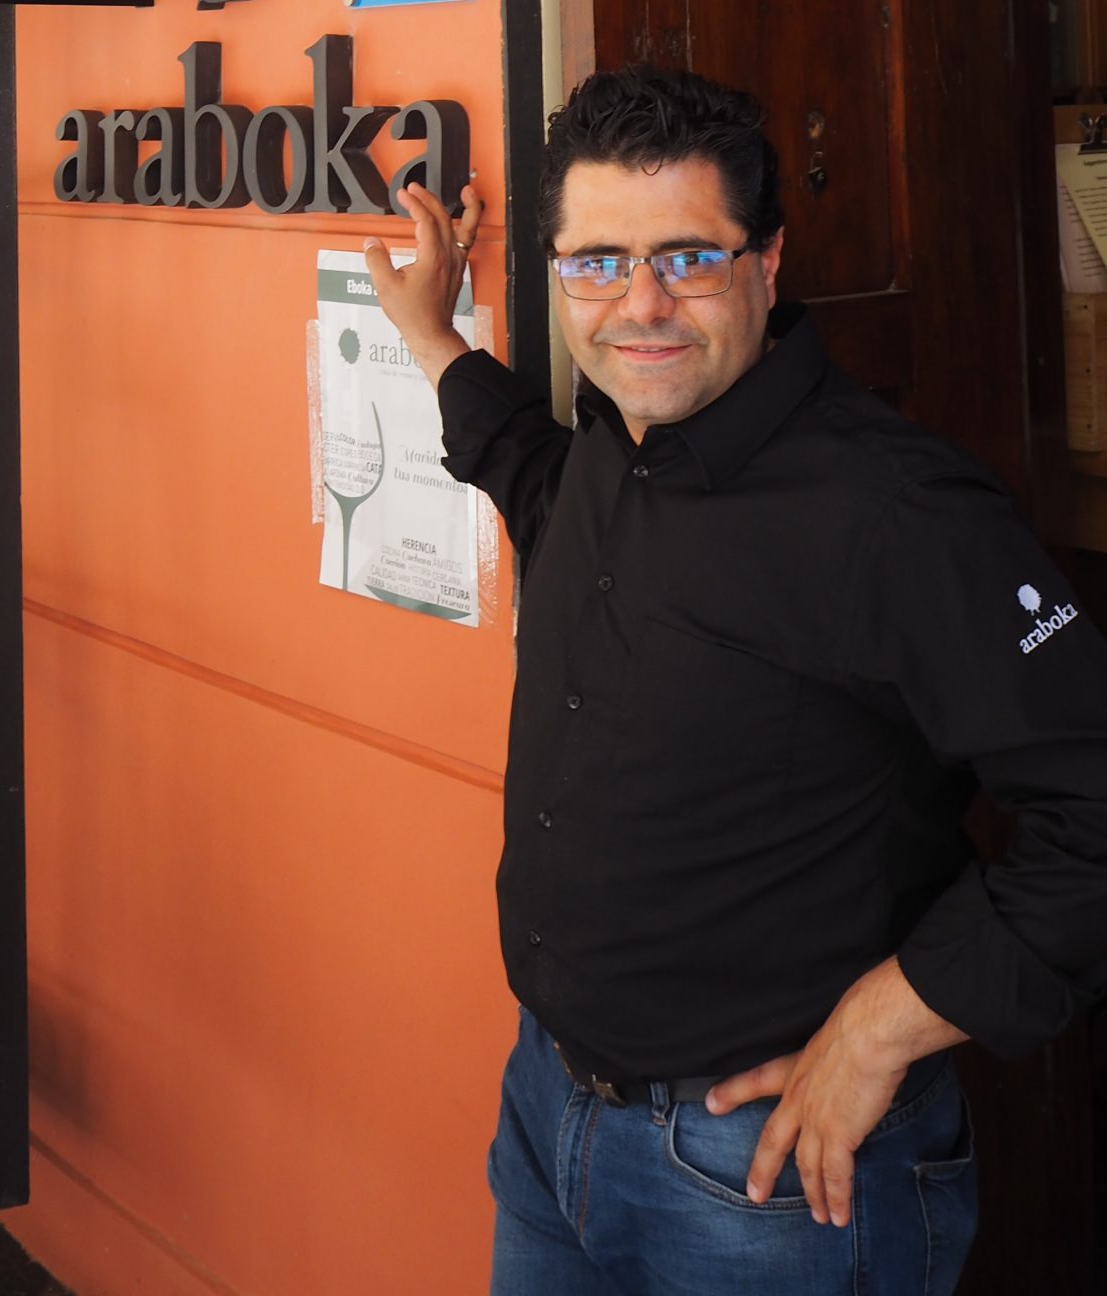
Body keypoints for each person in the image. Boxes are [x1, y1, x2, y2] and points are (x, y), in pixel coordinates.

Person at [363, 65, 1107, 1296]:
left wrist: (888, 1020)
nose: (640, 304)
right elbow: (525, 469)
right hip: (547, 1119)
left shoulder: (899, 514)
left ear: (767, 260)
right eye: (598, 262)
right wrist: (432, 333)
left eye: (689, 257)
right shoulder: (609, 452)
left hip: (770, 1177)